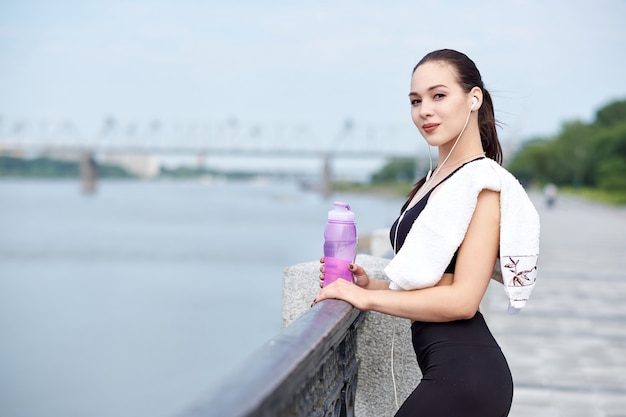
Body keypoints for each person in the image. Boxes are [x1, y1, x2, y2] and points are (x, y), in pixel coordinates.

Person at [312, 49, 540, 417]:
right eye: (415, 101)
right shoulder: (436, 180)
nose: (424, 111)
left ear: (473, 98)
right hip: (451, 373)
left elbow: (462, 301)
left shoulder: (483, 184)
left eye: (439, 95)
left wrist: (366, 301)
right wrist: (370, 286)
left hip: (467, 379)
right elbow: (437, 284)